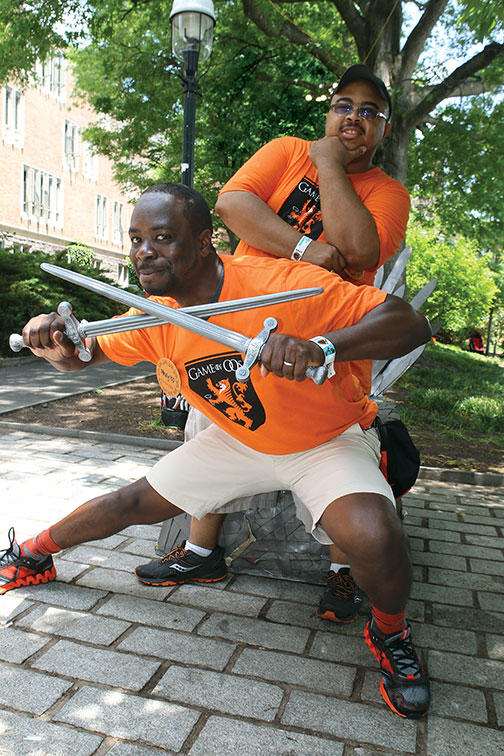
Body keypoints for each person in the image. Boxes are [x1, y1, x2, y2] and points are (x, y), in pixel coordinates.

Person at [0, 183, 431, 718]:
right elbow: (80, 358)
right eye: (136, 239)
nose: (144, 252)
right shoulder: (156, 315)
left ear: (204, 243)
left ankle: (390, 632)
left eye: (163, 237)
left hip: (325, 439)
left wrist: (322, 346)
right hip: (240, 441)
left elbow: (410, 323)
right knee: (130, 502)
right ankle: (31, 555)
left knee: (376, 536)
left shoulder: (284, 284)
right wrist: (52, 341)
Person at [143, 64, 411, 625]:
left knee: (331, 440)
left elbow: (361, 251)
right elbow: (233, 204)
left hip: (323, 328)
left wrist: (331, 165)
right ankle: (200, 552)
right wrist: (304, 250)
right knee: (211, 419)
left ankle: (342, 571)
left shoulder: (386, 191)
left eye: (369, 112)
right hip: (237, 308)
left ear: (384, 130)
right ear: (328, 110)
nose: (354, 118)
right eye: (344, 105)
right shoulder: (287, 150)